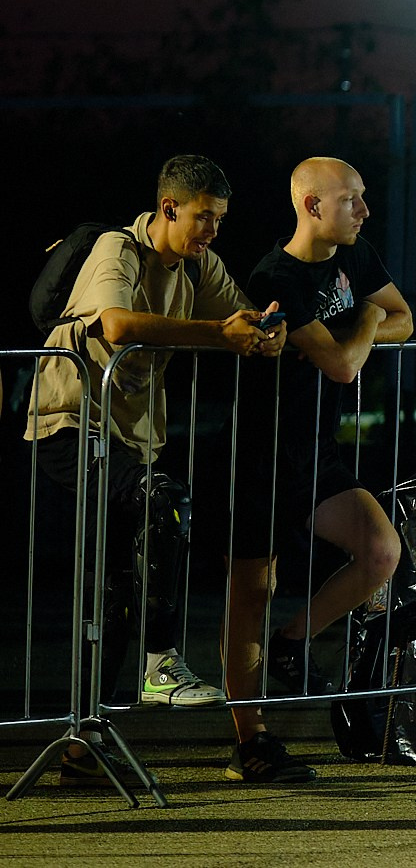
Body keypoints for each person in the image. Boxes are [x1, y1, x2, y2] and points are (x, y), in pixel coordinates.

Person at [26, 154, 284, 784]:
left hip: (130, 441)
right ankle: (161, 662)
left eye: (220, 220)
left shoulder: (199, 264)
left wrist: (266, 330)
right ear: (170, 208)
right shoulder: (117, 251)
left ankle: (82, 751)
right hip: (70, 427)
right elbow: (116, 324)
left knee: (119, 588)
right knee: (166, 502)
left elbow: (240, 318)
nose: (212, 232)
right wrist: (222, 337)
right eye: (204, 218)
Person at [221, 157, 412, 783]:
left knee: (382, 551)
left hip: (316, 450)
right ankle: (251, 738)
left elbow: (405, 318)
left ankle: (294, 640)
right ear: (311, 206)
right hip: (264, 452)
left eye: (362, 197)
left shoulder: (356, 254)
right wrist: (364, 320)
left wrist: (365, 329)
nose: (364, 210)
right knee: (253, 592)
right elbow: (342, 365)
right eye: (351, 199)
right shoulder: (275, 275)